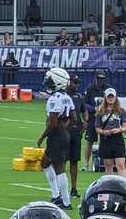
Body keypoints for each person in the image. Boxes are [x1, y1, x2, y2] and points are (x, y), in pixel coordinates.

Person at [37, 67, 75, 210]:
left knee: (59, 167)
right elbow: (73, 118)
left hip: (56, 136)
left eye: (50, 80)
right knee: (45, 162)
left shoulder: (54, 99)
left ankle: (65, 201)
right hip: (64, 135)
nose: (48, 82)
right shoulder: (67, 97)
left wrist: (42, 137)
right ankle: (55, 195)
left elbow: (52, 124)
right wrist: (65, 127)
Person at [95, 88, 126, 179]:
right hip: (106, 139)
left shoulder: (121, 111)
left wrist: (118, 130)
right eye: (108, 97)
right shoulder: (100, 111)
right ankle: (110, 186)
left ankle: (123, 186)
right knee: (108, 166)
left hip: (117, 138)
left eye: (112, 97)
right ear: (105, 98)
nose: (110, 99)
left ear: (115, 98)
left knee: (120, 165)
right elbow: (97, 127)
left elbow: (125, 126)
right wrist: (104, 132)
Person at [83, 72, 110, 171]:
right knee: (90, 141)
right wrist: (94, 109)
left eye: (102, 79)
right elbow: (85, 103)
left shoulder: (108, 88)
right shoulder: (90, 88)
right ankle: (86, 164)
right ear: (96, 79)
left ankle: (106, 162)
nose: (100, 81)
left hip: (106, 118)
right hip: (93, 118)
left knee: (106, 139)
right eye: (99, 79)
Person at [65, 75, 85, 197]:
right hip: (65, 132)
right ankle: (61, 190)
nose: (76, 85)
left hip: (76, 132)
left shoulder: (79, 96)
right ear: (69, 83)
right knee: (62, 161)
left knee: (74, 161)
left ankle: (73, 188)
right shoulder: (63, 96)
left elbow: (84, 111)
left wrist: (85, 122)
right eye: (74, 83)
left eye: (78, 83)